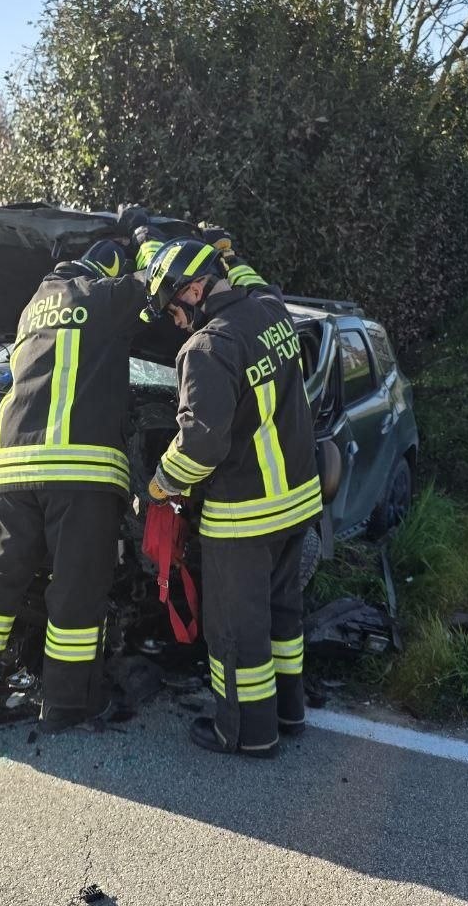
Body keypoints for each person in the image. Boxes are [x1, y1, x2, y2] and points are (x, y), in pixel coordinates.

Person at [0, 224, 149, 734]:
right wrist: (143, 237)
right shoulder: (110, 295)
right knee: (76, 591)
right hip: (82, 472)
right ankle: (66, 705)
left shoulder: (32, 308)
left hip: (14, 468)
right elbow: (160, 278)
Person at [141, 233, 321, 758]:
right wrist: (231, 253)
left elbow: (200, 445)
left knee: (237, 634)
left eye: (173, 307)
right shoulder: (270, 310)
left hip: (244, 517)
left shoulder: (207, 348)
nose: (175, 322)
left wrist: (158, 485)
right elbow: (253, 281)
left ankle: (245, 732)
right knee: (282, 618)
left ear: (195, 290)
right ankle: (289, 713)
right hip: (297, 506)